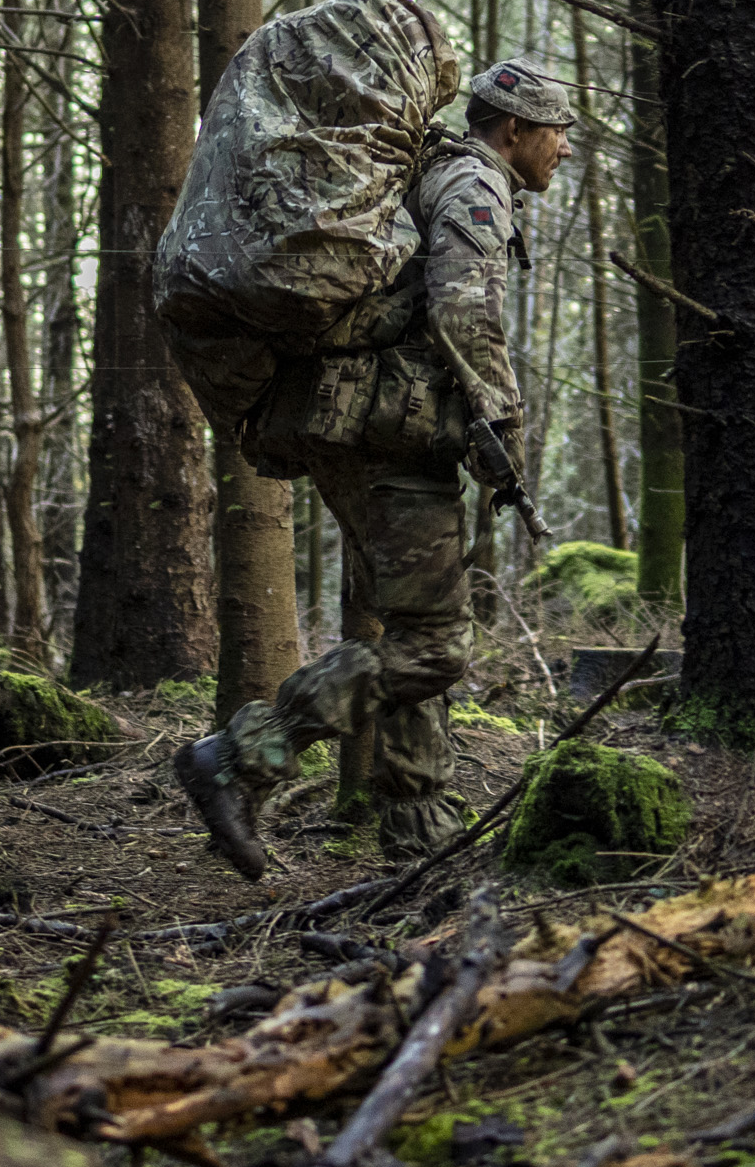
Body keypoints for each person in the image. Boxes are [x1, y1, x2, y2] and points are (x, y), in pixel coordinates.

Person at [178, 57, 573, 876]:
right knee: (437, 648)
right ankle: (243, 754)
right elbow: (465, 308)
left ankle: (415, 836)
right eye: (556, 130)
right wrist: (503, 427)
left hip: (352, 422)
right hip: (388, 432)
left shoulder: (432, 169)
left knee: (416, 631)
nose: (564, 147)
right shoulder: (475, 184)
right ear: (514, 131)